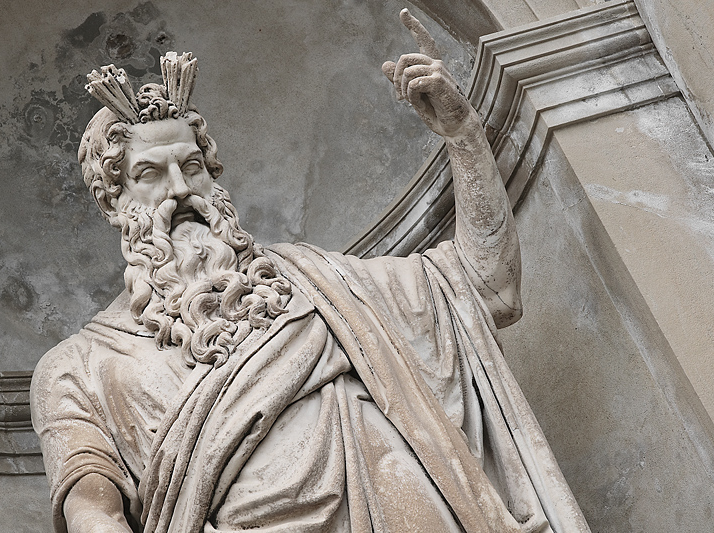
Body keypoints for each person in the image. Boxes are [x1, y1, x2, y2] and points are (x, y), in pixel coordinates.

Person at [31, 10, 589, 533]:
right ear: (115, 200)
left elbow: (489, 288)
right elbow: (92, 510)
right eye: (150, 174)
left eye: (192, 166)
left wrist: (464, 135)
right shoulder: (78, 366)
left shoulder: (321, 281)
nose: (180, 190)